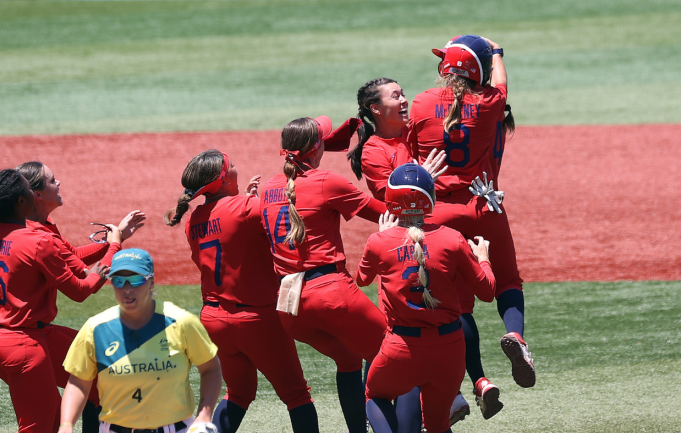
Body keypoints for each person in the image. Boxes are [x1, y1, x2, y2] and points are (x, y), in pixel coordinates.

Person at [407, 35, 534, 417]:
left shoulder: (422, 102)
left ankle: (478, 380)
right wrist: (496, 52)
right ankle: (516, 335)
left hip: (438, 213)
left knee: (457, 306)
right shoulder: (492, 105)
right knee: (508, 282)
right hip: (484, 205)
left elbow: (410, 148)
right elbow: (500, 85)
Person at [0, 169, 121, 433]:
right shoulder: (38, 241)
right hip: (25, 346)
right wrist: (102, 268)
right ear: (21, 201)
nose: (33, 192)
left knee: (93, 380)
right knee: (38, 428)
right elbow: (79, 291)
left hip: (8, 341)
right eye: (28, 189)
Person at [164, 150, 320, 433]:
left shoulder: (194, 219)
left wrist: (246, 200)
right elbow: (285, 225)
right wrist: (249, 201)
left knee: (238, 392)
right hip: (256, 319)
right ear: (222, 180)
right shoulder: (246, 208)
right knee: (297, 394)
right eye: (232, 167)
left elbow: (230, 230)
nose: (237, 169)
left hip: (213, 320)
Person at [260, 116, 387, 433]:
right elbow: (385, 215)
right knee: (397, 354)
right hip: (330, 294)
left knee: (348, 360)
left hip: (289, 306)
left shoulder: (268, 188)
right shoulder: (327, 181)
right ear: (318, 146)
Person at [357, 164, 495, 433]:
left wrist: (383, 235)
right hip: (450, 349)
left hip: (401, 349)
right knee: (438, 425)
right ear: (430, 198)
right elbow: (488, 292)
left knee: (374, 396)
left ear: (390, 200)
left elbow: (362, 279)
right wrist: (484, 258)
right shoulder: (453, 239)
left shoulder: (379, 241)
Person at [58, 248, 222, 433]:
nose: (127, 289)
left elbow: (210, 368)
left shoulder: (182, 323)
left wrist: (204, 415)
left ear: (151, 283)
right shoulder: (95, 329)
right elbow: (78, 382)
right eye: (118, 281)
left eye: (136, 280)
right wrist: (66, 425)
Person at [15, 161, 146, 278]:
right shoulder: (38, 236)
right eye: (53, 180)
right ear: (38, 194)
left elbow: (73, 258)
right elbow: (86, 285)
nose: (59, 183)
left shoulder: (37, 225)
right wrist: (115, 245)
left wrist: (118, 236)